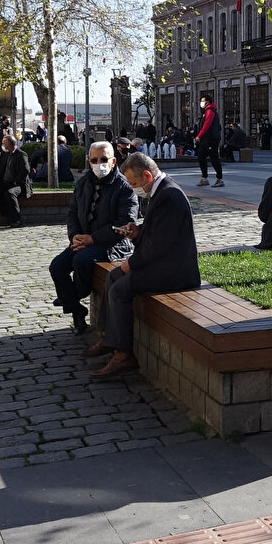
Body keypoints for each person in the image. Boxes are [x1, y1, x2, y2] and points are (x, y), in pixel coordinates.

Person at [91, 153, 200, 379]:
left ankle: (123, 355)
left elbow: (159, 247)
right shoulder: (160, 191)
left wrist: (130, 264)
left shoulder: (169, 195)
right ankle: (109, 339)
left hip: (174, 271)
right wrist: (137, 232)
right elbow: (156, 236)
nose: (133, 188)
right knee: (113, 278)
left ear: (148, 175)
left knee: (120, 288)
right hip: (163, 264)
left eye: (134, 183)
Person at [52, 142, 138, 335]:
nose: (99, 164)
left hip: (112, 244)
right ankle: (76, 309)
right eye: (94, 160)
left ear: (113, 161)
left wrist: (93, 239)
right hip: (83, 241)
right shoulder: (83, 183)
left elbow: (125, 222)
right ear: (89, 162)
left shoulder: (123, 187)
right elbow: (73, 213)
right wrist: (74, 236)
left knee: (81, 260)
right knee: (57, 266)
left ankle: (70, 297)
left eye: (104, 159)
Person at [0, 132, 31, 227]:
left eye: (4, 143)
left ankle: (16, 219)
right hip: (6, 182)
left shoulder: (21, 154)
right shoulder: (6, 154)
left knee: (10, 194)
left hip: (18, 184)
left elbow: (25, 170)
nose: (2, 145)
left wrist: (16, 181)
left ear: (11, 144)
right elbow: (0, 169)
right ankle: (7, 214)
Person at [194, 93, 224, 187]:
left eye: (202, 101)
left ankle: (220, 179)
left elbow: (207, 125)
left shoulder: (210, 111)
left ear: (207, 102)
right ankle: (204, 178)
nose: (201, 103)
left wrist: (199, 135)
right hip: (207, 138)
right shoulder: (207, 111)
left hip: (211, 138)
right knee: (201, 156)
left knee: (214, 158)